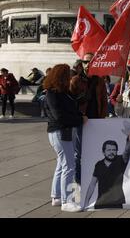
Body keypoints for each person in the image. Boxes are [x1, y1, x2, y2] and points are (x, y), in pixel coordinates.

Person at [44, 64, 88, 212]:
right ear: (60, 78)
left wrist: (78, 116)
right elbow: (60, 116)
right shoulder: (52, 94)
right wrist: (79, 120)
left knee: (61, 164)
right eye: (67, 76)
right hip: (61, 131)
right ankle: (66, 201)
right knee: (69, 166)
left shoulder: (61, 93)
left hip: (61, 131)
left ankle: (56, 196)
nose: (69, 78)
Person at [70, 53, 108, 185]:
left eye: (91, 62)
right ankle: (79, 181)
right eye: (85, 62)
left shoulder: (100, 80)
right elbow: (71, 102)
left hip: (96, 122)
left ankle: (93, 178)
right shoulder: (75, 80)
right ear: (82, 64)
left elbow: (104, 101)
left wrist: (102, 119)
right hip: (81, 121)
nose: (88, 65)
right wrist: (80, 116)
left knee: (96, 151)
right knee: (79, 153)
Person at [84, 121, 130, 209]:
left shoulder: (121, 161)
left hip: (117, 204)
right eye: (109, 150)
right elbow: (92, 184)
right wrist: (85, 203)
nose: (111, 152)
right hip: (100, 203)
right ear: (103, 152)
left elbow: (127, 150)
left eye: (114, 150)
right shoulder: (98, 164)